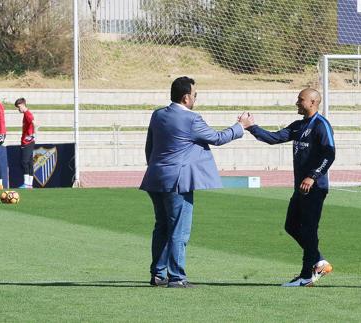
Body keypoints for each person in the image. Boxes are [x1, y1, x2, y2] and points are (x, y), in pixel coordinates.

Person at [140, 76, 247, 288]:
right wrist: (240, 125)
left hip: (156, 178)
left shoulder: (158, 114)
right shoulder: (191, 119)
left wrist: (156, 168)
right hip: (177, 182)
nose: (196, 99)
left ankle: (158, 274)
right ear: (187, 97)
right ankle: (177, 277)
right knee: (179, 229)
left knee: (161, 227)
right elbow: (217, 138)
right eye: (195, 95)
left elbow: (149, 147)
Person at [240, 88, 335, 287]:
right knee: (291, 226)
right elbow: (275, 138)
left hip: (315, 188)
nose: (296, 102)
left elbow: (329, 154)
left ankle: (306, 276)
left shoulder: (321, 125)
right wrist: (252, 127)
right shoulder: (299, 125)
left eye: (300, 100)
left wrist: (313, 176)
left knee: (309, 230)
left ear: (312, 102)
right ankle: (319, 261)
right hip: (300, 188)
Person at [14, 98, 35, 189]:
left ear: (23, 105)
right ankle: (30, 184)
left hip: (27, 142)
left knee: (24, 162)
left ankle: (26, 183)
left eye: (19, 107)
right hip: (29, 142)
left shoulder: (27, 114)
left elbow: (35, 123)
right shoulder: (26, 114)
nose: (18, 109)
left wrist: (32, 135)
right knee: (30, 163)